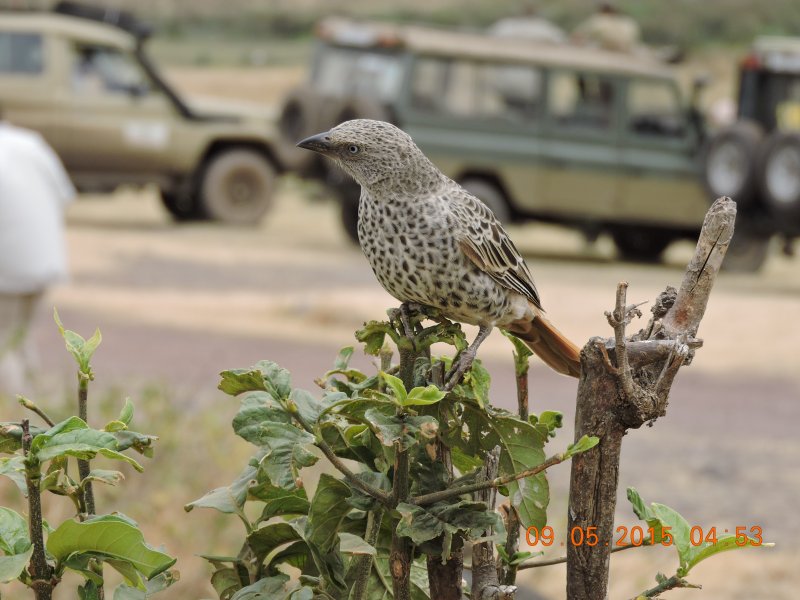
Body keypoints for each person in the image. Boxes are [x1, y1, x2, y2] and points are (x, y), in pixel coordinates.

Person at [0, 110, 76, 399]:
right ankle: (36, 411)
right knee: (21, 339)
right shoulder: (31, 143)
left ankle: (14, 418)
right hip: (45, 260)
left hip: (8, 267)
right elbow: (66, 196)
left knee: (5, 344)